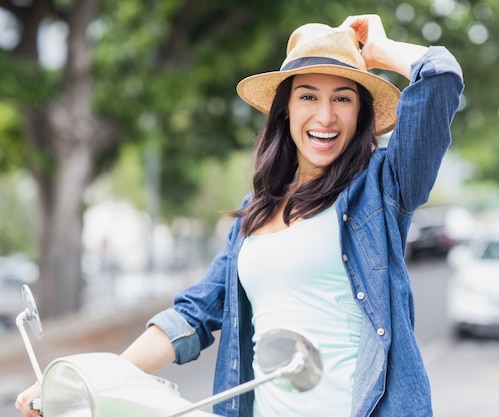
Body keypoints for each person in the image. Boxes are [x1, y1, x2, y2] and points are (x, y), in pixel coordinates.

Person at [16, 13, 463, 417]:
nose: (325, 116)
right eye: (308, 96)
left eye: (343, 99)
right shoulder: (255, 212)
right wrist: (83, 382)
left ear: (361, 112)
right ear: (285, 108)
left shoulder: (382, 187)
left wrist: (380, 50)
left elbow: (439, 76)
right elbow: (192, 315)